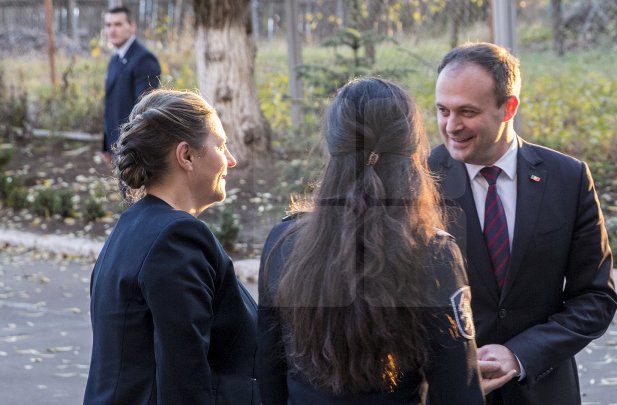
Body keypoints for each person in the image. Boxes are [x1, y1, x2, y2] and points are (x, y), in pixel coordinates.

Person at [257, 77, 490, 404]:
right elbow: (457, 391)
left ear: (333, 145)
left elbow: (268, 375)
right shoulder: (432, 252)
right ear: (410, 152)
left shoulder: (283, 242)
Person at [429, 42, 617, 405]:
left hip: (544, 391)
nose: (452, 126)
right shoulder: (417, 182)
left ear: (509, 107)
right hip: (447, 393)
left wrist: (520, 355)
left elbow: (596, 297)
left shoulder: (569, 178)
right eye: (443, 110)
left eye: (467, 111)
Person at [83, 89, 259, 405]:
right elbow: (184, 380)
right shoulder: (176, 238)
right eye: (220, 146)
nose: (230, 161)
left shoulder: (128, 229)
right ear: (186, 156)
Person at [102, 6, 161, 164]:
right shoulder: (115, 59)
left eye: (118, 24)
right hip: (118, 145)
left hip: (134, 149)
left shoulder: (144, 59)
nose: (112, 30)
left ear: (132, 26)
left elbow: (145, 110)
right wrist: (106, 145)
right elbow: (110, 104)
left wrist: (131, 150)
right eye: (108, 25)